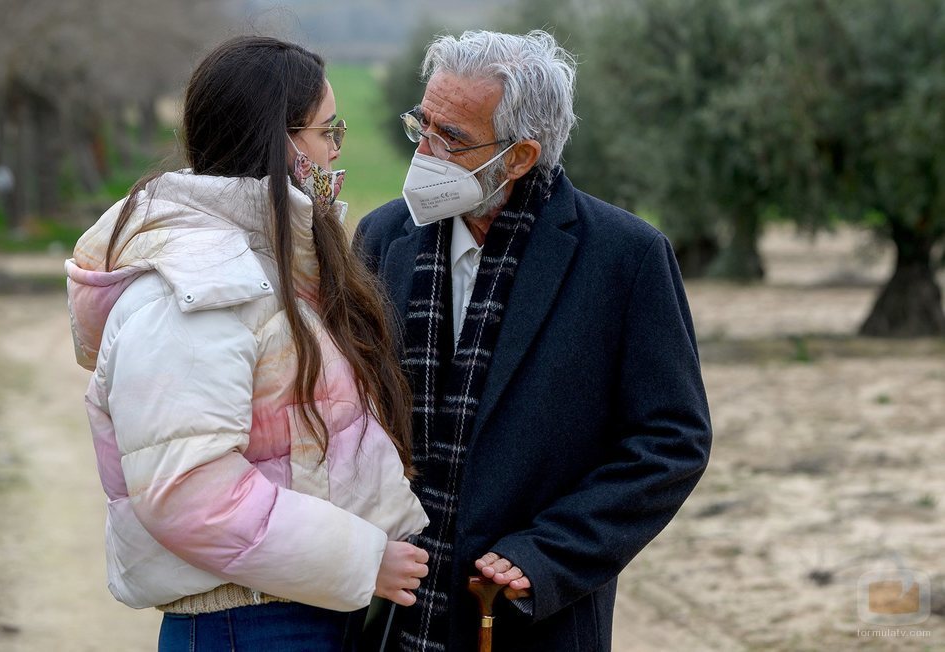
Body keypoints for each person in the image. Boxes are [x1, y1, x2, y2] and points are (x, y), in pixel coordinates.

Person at [65, 36, 430, 651]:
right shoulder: (197, 287)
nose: (335, 149)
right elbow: (187, 494)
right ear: (281, 142)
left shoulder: (264, 264)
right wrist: (361, 559)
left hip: (292, 609)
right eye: (326, 131)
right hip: (251, 624)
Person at [352, 30, 713, 651]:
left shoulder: (625, 258)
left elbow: (671, 440)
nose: (427, 152)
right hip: (391, 618)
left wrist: (551, 553)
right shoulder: (384, 237)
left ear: (519, 156)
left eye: (453, 138)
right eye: (423, 126)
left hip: (528, 619)